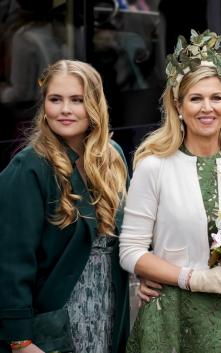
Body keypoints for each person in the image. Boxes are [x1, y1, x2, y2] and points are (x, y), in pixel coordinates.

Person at [119, 30, 221, 352]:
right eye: (196, 98)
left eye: (216, 97)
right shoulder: (154, 166)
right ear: (178, 106)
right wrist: (194, 278)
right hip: (172, 318)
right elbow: (131, 251)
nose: (208, 108)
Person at [0, 59, 130, 352]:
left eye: (77, 100)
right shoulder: (30, 167)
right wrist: (19, 340)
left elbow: (132, 233)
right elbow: (11, 261)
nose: (65, 110)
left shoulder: (114, 158)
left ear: (95, 104)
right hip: (56, 317)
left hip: (108, 305)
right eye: (55, 99)